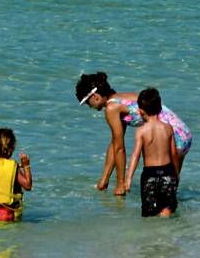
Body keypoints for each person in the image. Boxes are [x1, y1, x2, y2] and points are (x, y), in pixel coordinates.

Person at [75, 72, 192, 196]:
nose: (89, 106)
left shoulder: (111, 108)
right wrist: (105, 178)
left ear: (95, 96)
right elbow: (115, 144)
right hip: (184, 133)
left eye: (88, 103)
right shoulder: (121, 98)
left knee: (161, 192)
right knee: (170, 189)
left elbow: (120, 149)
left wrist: (120, 184)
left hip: (171, 136)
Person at [120, 87, 181, 217]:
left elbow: (135, 155)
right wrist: (176, 174)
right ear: (160, 108)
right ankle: (165, 230)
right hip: (167, 173)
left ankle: (152, 235)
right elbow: (174, 154)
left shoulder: (141, 131)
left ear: (141, 111)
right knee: (167, 207)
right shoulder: (168, 128)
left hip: (150, 175)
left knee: (149, 212)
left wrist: (128, 178)